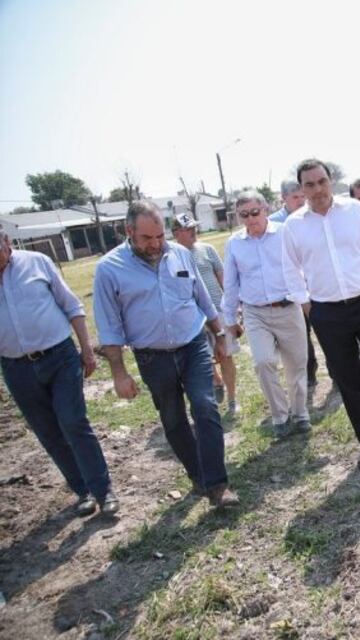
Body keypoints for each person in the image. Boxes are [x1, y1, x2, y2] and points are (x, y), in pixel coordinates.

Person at [93, 201, 238, 508]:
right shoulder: (109, 268)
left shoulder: (181, 254)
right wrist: (119, 372)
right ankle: (198, 475)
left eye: (160, 236)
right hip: (152, 357)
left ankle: (218, 484)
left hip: (193, 344)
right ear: (129, 231)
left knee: (205, 406)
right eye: (147, 238)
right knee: (173, 419)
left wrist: (219, 335)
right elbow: (109, 325)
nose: (156, 244)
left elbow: (202, 298)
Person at [282, 159, 360, 468]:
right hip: (327, 312)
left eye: (321, 181)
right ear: (302, 189)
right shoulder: (293, 226)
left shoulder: (354, 210)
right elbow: (290, 270)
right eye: (309, 184)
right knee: (348, 379)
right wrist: (306, 305)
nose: (317, 189)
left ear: (331, 180)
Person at [0, 231, 118, 517]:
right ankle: (83, 490)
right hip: (16, 368)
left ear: (6, 241)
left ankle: (103, 490)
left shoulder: (37, 262)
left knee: (72, 421)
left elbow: (72, 306)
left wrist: (87, 350)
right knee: (48, 432)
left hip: (59, 357)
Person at [222, 191, 309, 438]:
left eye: (254, 212)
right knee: (262, 362)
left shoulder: (284, 232)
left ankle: (300, 413)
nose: (250, 219)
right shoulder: (234, 244)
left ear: (265, 210)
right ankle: (280, 416)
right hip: (255, 313)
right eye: (244, 215)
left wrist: (307, 298)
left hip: (288, 307)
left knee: (296, 364)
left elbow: (303, 265)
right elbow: (230, 284)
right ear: (238, 217)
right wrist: (230, 319)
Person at [171, 213, 241, 416]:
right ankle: (216, 380)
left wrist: (233, 307)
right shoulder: (172, 257)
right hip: (192, 317)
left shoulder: (207, 249)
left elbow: (223, 278)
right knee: (203, 359)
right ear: (176, 233)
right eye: (187, 229)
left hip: (217, 311)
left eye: (194, 227)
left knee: (226, 355)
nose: (193, 232)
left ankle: (232, 399)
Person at [268, 179, 320, 390]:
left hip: (316, 283)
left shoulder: (312, 216)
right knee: (302, 333)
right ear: (284, 198)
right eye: (295, 197)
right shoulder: (273, 223)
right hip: (291, 289)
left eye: (302, 196)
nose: (300, 201)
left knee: (326, 329)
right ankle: (309, 372)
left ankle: (336, 371)